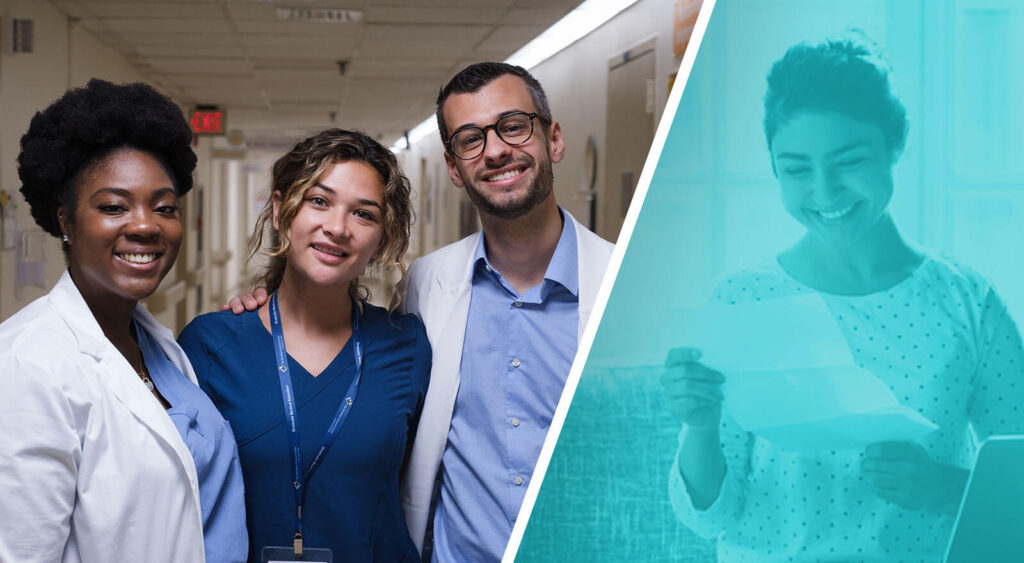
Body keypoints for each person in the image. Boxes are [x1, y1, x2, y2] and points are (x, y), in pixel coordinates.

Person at [226, 62, 614, 561]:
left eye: (513, 126)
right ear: (454, 168)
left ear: (554, 139)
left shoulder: (627, 283)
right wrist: (259, 311)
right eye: (470, 138)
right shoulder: (427, 287)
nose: (495, 150)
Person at [660, 34, 1024, 561]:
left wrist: (944, 488)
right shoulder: (740, 302)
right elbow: (709, 515)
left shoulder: (968, 302)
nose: (825, 193)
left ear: (893, 145)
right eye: (798, 170)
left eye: (849, 161)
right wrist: (699, 424)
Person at [0, 79, 247, 563]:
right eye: (113, 206)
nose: (145, 225)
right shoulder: (27, 364)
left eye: (164, 207)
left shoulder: (155, 344)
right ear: (66, 222)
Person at [178, 128, 430, 561]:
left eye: (364, 215)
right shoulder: (211, 346)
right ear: (280, 211)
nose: (337, 227)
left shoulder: (405, 347)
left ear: (381, 240)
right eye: (319, 201)